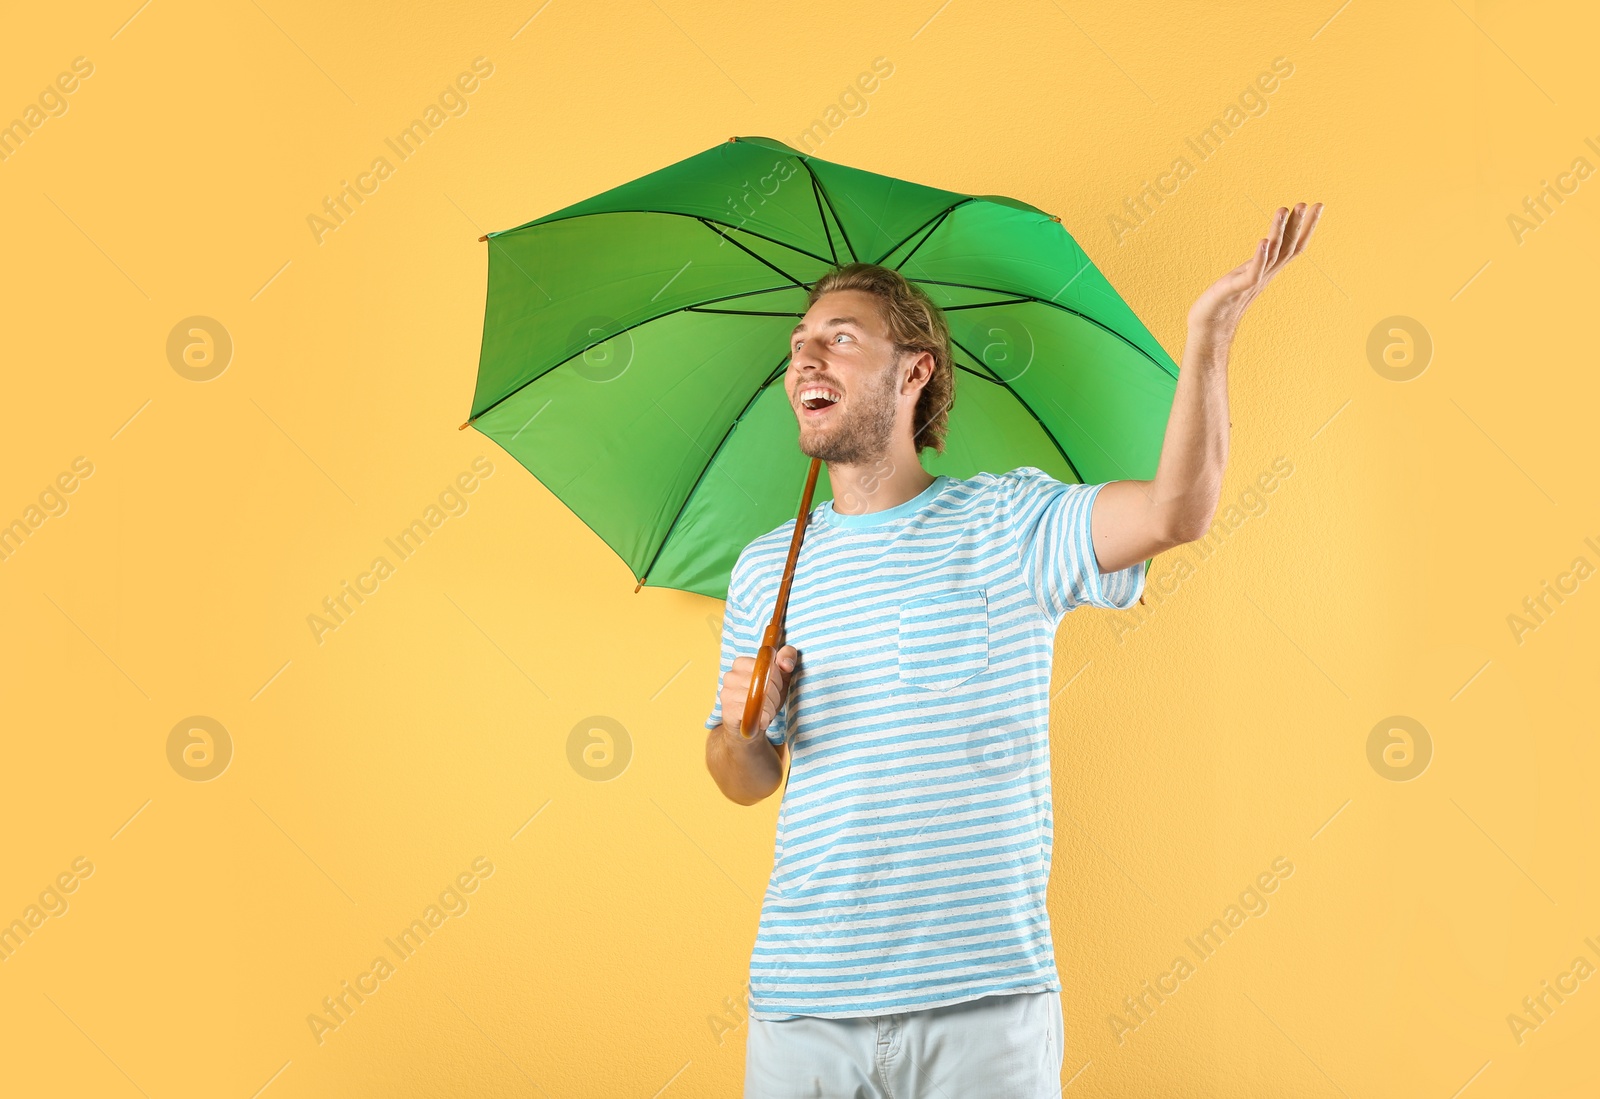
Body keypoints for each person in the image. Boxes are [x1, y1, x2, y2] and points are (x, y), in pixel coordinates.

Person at [703, 203, 1324, 1098]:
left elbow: (1173, 512)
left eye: (839, 339)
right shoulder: (768, 568)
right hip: (805, 1003)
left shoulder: (1012, 522)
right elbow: (741, 777)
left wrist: (1210, 335)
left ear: (914, 371)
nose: (804, 357)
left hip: (985, 1005)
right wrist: (742, 726)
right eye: (800, 343)